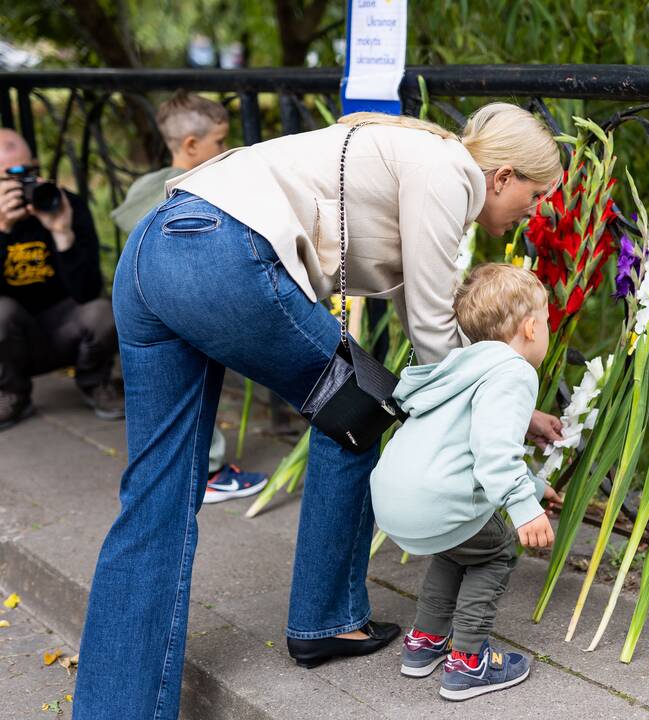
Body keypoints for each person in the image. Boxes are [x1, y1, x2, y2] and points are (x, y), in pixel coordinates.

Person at [73, 103, 564, 720]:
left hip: (152, 249)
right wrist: (500, 414)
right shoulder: (451, 172)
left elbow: (434, 336)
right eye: (536, 192)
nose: (535, 208)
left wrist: (516, 414)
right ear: (502, 175)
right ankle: (327, 618)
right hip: (221, 254)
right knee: (360, 407)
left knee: (154, 498)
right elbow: (434, 330)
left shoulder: (420, 156)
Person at [369, 263, 557, 701]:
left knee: (456, 549)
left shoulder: (461, 364)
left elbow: (469, 446)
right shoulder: (514, 372)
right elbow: (493, 449)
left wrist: (532, 485)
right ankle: (470, 661)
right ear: (531, 327)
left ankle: (424, 643)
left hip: (398, 496)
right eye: (547, 322)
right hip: (437, 498)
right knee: (495, 550)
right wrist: (525, 509)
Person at [112, 91, 266, 504]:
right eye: (220, 141)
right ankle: (209, 473)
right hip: (187, 300)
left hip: (144, 302)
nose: (226, 149)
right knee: (196, 388)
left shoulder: (148, 185)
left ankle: (178, 477)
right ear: (193, 145)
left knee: (167, 398)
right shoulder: (197, 190)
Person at [0, 129, 123, 429]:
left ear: (37, 166)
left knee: (103, 312)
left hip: (64, 328)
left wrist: (61, 232)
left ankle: (95, 383)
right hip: (10, 336)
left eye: (27, 174)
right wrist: (2, 229)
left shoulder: (66, 205)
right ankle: (10, 393)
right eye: (8, 178)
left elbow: (88, 291)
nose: (20, 186)